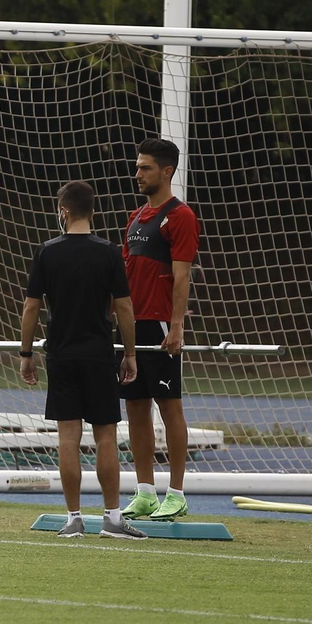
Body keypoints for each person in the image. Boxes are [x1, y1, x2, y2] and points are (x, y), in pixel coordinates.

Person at [20, 180, 145, 539]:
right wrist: (130, 353)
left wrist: (26, 354)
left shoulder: (47, 251)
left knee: (67, 437)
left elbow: (31, 307)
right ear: (92, 211)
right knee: (106, 437)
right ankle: (113, 519)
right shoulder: (109, 252)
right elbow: (123, 306)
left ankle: (73, 518)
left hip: (61, 355)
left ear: (64, 211)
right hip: (98, 354)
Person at [118, 137, 201, 521]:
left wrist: (178, 325)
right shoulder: (135, 218)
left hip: (162, 324)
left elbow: (182, 277)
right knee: (135, 407)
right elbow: (124, 280)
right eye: (137, 166)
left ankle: (177, 493)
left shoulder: (180, 216)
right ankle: (145, 492)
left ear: (166, 171)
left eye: (145, 167)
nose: (137, 173)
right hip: (131, 327)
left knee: (170, 408)